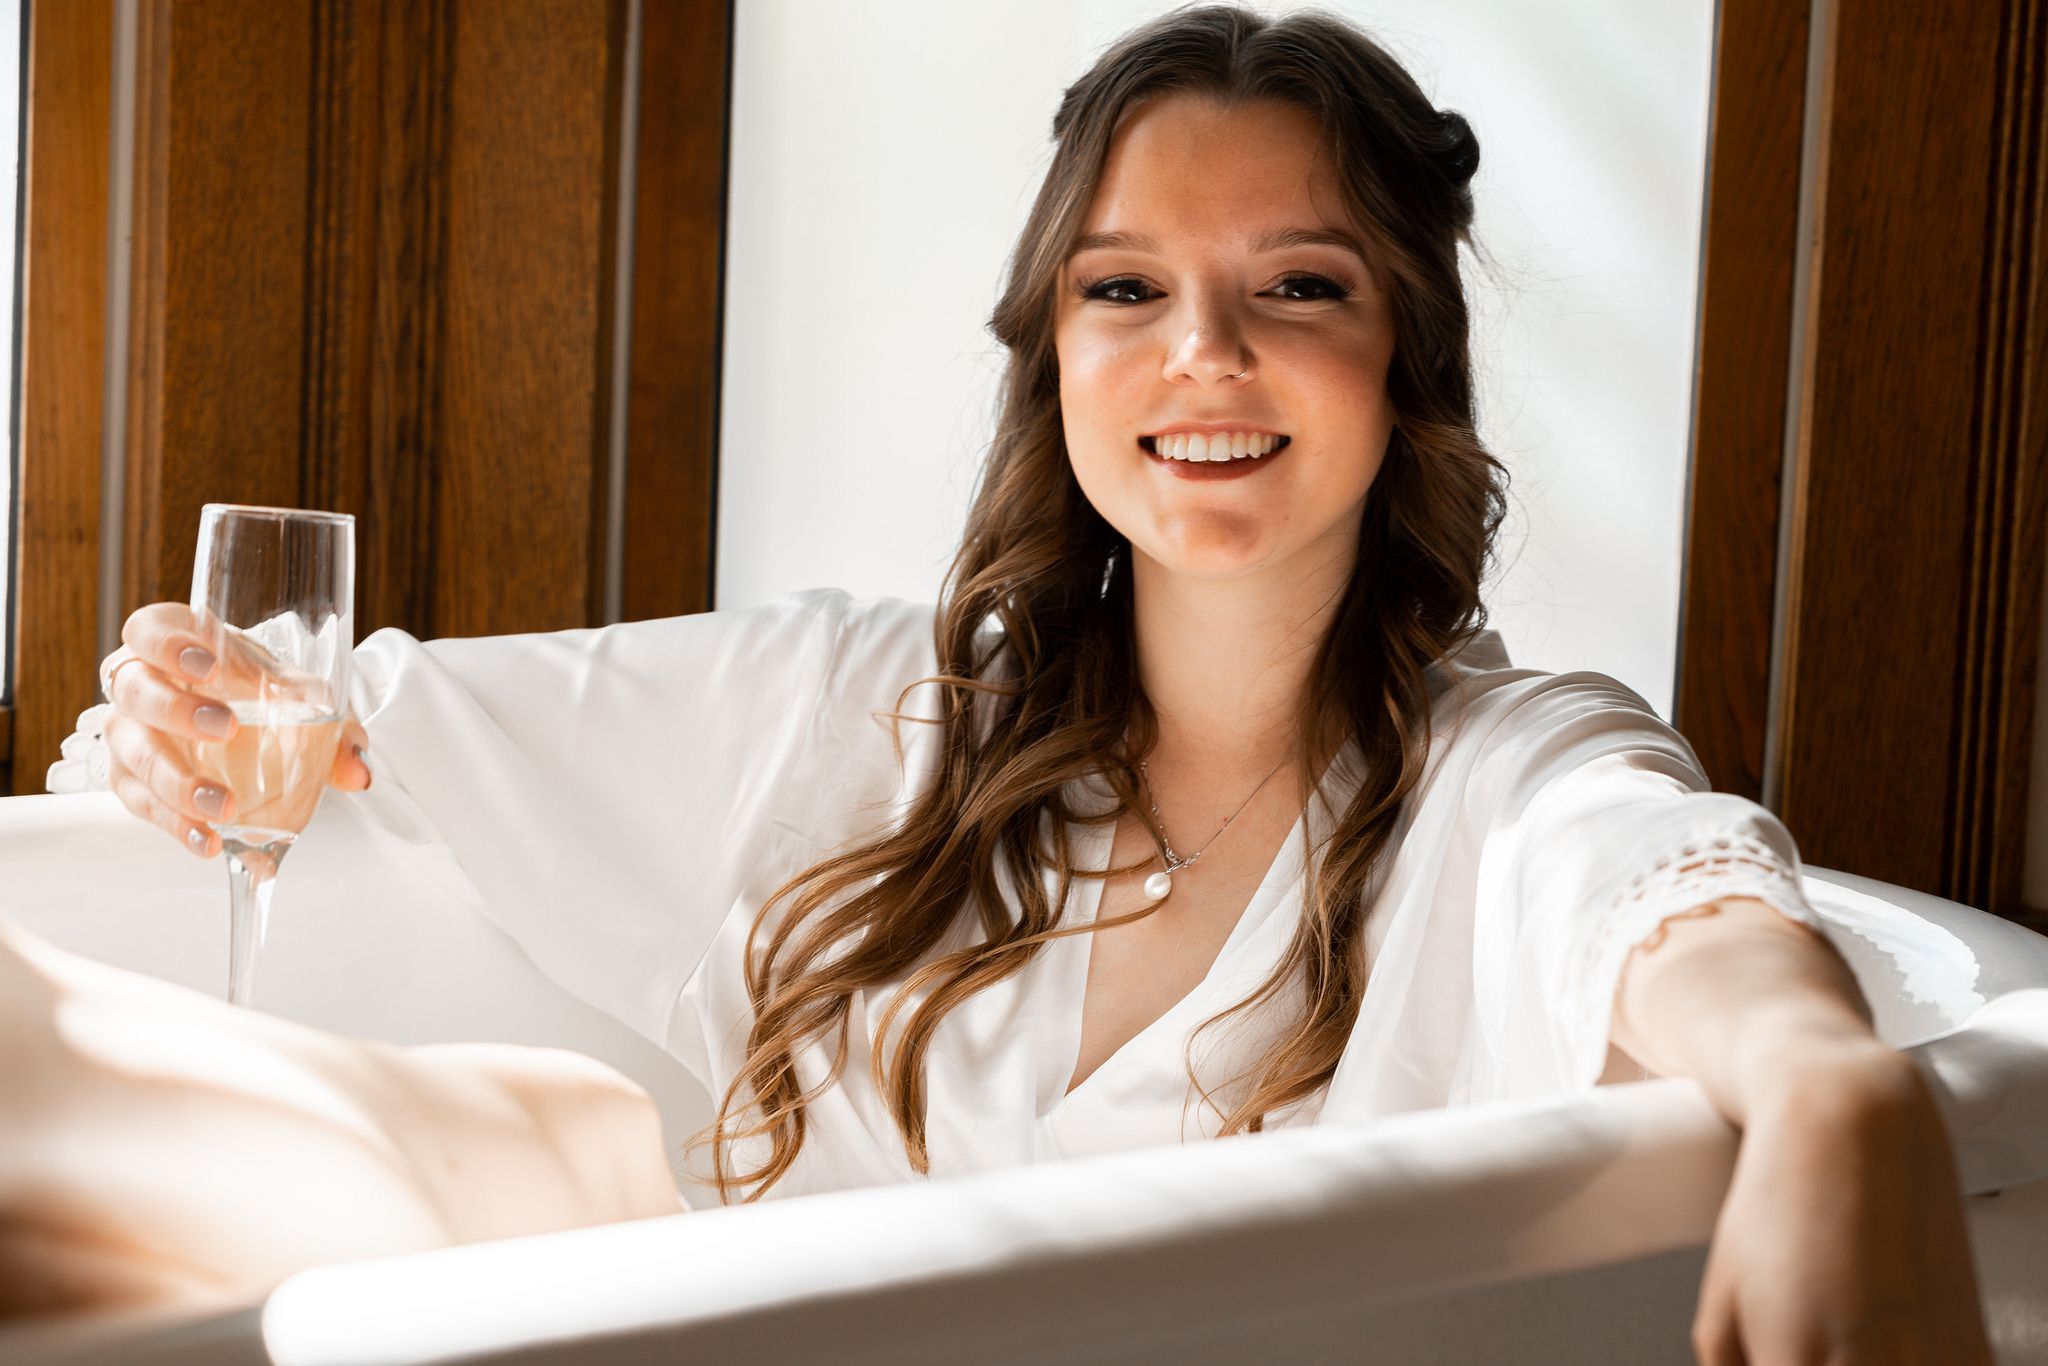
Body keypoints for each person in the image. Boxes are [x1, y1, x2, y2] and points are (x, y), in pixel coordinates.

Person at [9, 4, 1993, 1359]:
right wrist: (192, 722)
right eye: (1122, 288)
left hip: (600, 1300)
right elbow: (337, 715)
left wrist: (1835, 1092)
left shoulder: (1500, 769)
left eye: (1295, 287)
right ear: (1055, 350)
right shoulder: (870, 702)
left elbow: (1677, 892)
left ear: (1405, 360)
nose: (1197, 354)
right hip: (581, 1242)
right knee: (167, 1105)